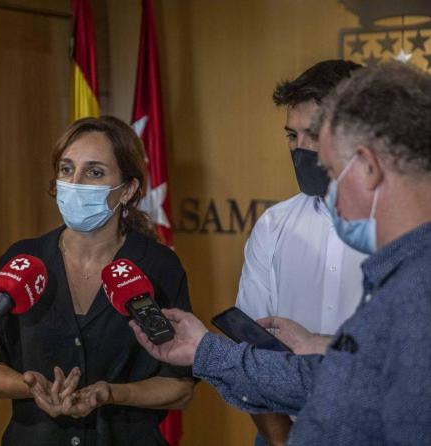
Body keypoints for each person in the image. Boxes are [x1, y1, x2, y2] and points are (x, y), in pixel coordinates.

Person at [132, 62, 431, 445]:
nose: (316, 172)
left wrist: (207, 352)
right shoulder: (395, 271)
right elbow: (339, 374)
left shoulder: (414, 284)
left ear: (369, 167)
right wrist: (207, 349)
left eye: (330, 167)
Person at [0, 116, 195, 445]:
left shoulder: (158, 266)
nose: (75, 182)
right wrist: (33, 386)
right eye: (66, 169)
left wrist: (112, 394)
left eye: (94, 172)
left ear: (128, 189)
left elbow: (179, 388)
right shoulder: (23, 261)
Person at [234, 60, 364, 445]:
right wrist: (283, 440)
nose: (301, 149)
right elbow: (251, 353)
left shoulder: (407, 228)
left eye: (313, 135)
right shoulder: (273, 226)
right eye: (292, 136)